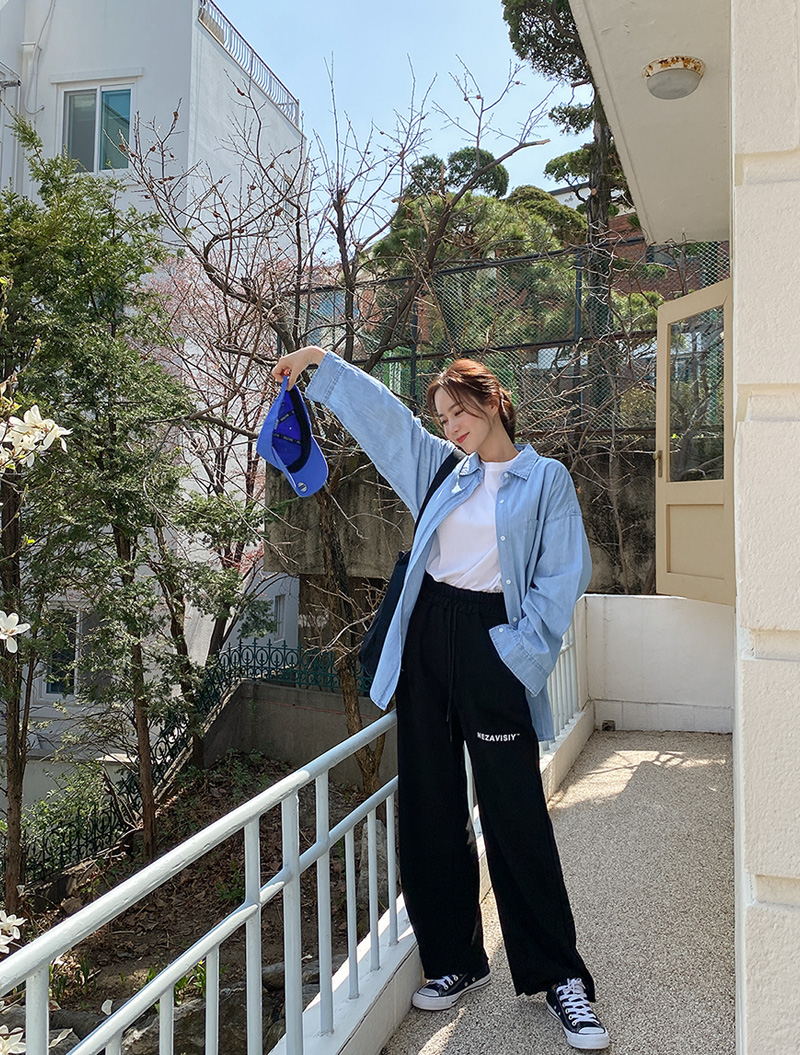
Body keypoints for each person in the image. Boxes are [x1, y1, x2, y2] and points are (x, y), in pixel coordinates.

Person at [271, 346, 609, 1052]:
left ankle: (560, 978)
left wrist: (514, 656)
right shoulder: (443, 469)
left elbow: (562, 577)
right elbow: (386, 422)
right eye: (444, 417)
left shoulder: (545, 479)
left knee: (515, 811)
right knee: (429, 803)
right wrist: (322, 367)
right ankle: (455, 958)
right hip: (428, 637)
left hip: (494, 644)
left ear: (492, 401)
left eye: (460, 411)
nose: (451, 426)